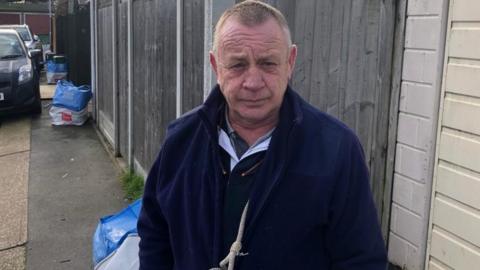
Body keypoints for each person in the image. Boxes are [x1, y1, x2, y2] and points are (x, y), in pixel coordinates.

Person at [137, 1, 387, 269]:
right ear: (215, 65)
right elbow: (155, 236)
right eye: (237, 65)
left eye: (268, 63)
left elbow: (362, 260)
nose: (253, 83)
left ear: (290, 62)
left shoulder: (336, 150)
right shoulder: (180, 142)